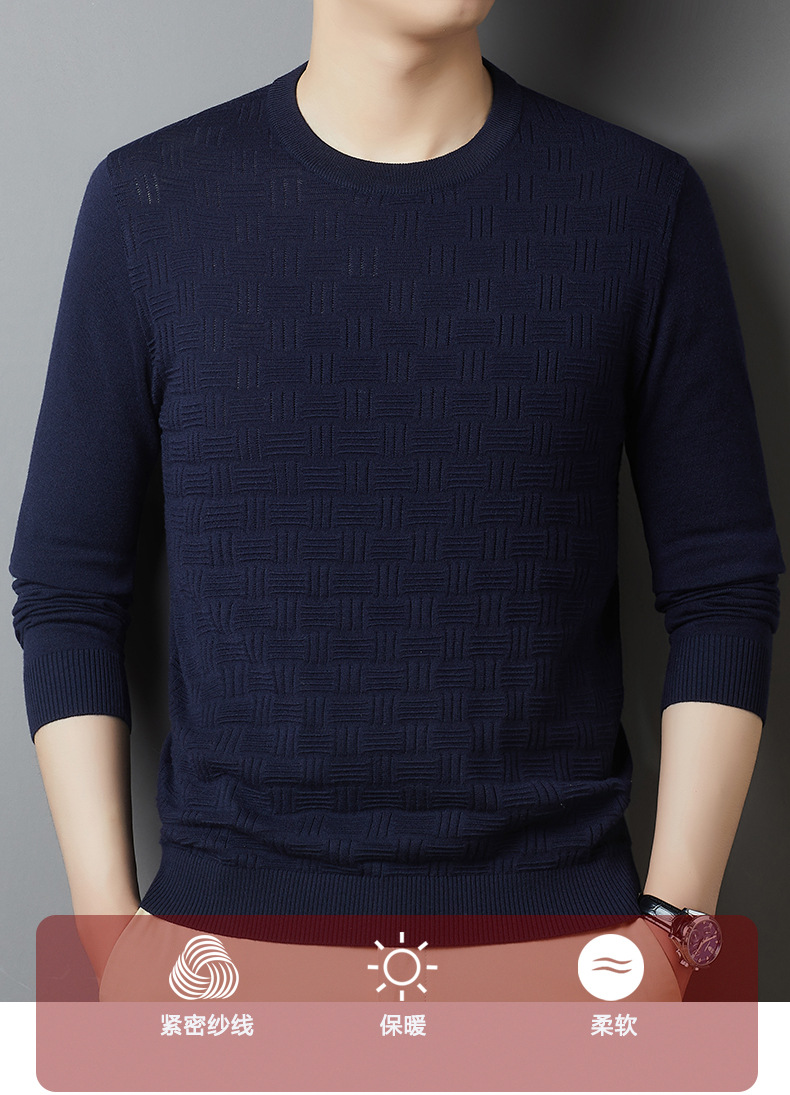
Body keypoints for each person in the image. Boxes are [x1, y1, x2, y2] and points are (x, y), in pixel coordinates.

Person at [8, 0, 784, 1003]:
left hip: (560, 967)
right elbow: (67, 590)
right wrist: (108, 942)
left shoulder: (637, 203)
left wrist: (675, 942)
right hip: (226, 970)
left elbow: (723, 587)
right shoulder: (152, 203)